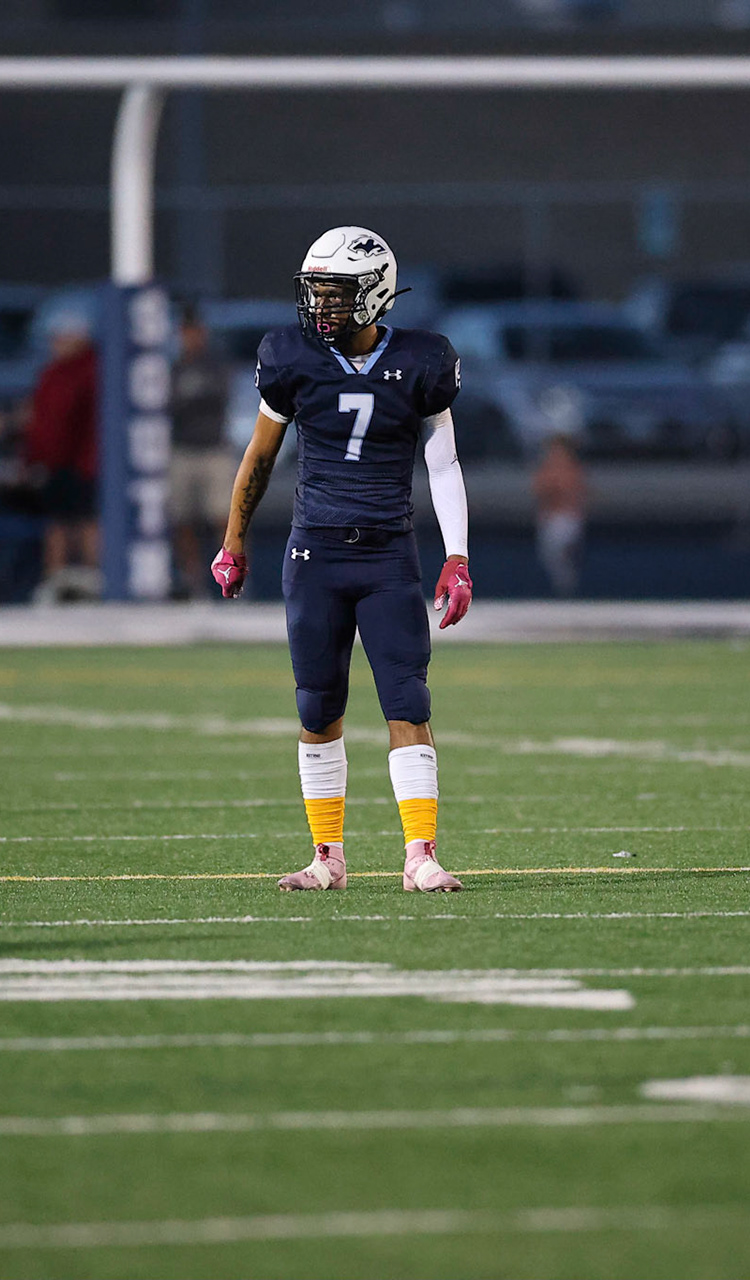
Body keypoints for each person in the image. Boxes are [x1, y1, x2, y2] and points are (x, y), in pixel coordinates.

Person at [211, 226, 473, 893]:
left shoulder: (421, 360)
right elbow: (260, 454)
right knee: (317, 706)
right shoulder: (291, 356)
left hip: (388, 553)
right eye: (317, 291)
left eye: (336, 292)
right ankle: (327, 857)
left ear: (376, 292)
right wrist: (233, 539)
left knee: (408, 701)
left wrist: (458, 556)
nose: (321, 304)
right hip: (315, 552)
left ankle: (419, 855)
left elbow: (443, 464)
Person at [24, 310, 101, 603]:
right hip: (57, 461)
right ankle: (55, 579)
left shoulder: (91, 371)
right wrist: (36, 457)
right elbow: (42, 422)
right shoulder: (52, 374)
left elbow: (69, 420)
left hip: (84, 461)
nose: (56, 344)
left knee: (86, 521)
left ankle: (95, 577)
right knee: (58, 522)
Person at [166, 305, 234, 598]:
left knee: (225, 518)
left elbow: (215, 398)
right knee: (182, 519)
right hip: (182, 449)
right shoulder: (174, 366)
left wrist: (187, 400)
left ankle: (234, 576)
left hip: (213, 449)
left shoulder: (215, 364)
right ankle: (193, 582)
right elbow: (168, 404)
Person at [532, 432, 587, 597]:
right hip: (550, 519)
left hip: (568, 519)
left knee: (564, 553)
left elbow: (579, 494)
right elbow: (539, 491)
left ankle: (569, 587)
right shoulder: (546, 470)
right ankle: (559, 588)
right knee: (549, 556)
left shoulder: (573, 469)